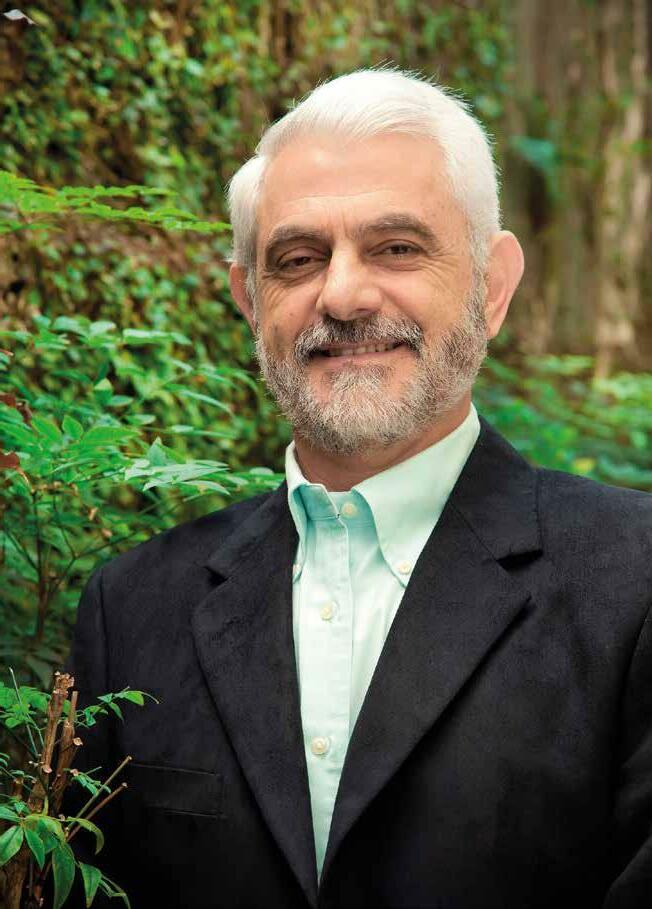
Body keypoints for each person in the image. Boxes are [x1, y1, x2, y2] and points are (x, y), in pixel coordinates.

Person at [68, 68, 652, 909]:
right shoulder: (130, 611)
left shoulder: (634, 582)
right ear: (250, 299)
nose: (342, 295)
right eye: (299, 259)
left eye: (396, 247)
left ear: (491, 286)